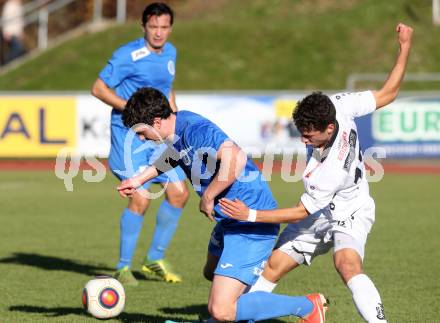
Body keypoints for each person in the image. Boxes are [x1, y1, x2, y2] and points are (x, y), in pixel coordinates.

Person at [219, 23, 413, 323]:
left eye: (309, 136)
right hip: (318, 213)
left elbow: (298, 211)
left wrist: (250, 216)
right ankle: (241, 317)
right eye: (301, 132)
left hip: (350, 210)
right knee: (273, 266)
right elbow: (388, 93)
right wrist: (404, 47)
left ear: (329, 128)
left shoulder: (330, 170)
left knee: (346, 264)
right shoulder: (338, 105)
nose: (303, 140)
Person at [117, 87, 329, 322]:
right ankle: (241, 298)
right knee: (211, 272)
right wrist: (138, 179)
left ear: (156, 121)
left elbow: (235, 158)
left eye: (142, 132)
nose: (141, 138)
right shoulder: (178, 127)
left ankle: (308, 306)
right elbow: (173, 155)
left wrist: (209, 195)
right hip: (228, 220)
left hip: (250, 221)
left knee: (221, 309)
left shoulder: (196, 129)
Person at [91, 2, 189, 286]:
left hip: (158, 136)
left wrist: (174, 120)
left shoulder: (171, 52)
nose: (158, 33)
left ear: (170, 28)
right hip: (129, 137)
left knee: (179, 193)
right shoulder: (127, 55)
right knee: (141, 197)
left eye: (164, 27)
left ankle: (153, 259)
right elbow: (98, 88)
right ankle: (123, 267)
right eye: (153, 26)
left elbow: (167, 88)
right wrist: (133, 109)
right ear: (143, 26)